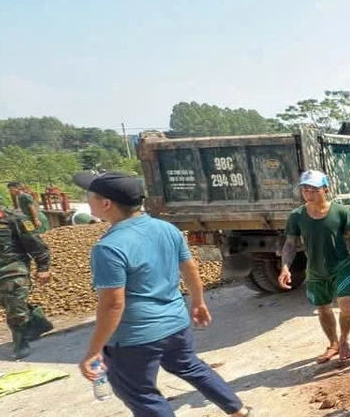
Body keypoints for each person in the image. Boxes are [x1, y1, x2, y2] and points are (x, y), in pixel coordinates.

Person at [75, 171, 249, 417]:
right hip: (176, 324)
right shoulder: (166, 229)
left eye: (90, 196)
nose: (88, 201)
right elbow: (190, 268)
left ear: (106, 204)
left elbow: (113, 305)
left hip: (135, 338)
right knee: (192, 367)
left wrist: (94, 350)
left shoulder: (109, 248)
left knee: (140, 394)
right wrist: (198, 302)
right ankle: (239, 411)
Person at [279, 170, 350, 364]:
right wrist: (285, 267)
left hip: (341, 266)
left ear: (325, 189)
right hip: (316, 270)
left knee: (346, 306)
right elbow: (291, 243)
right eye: (305, 189)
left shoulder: (341, 212)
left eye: (313, 189)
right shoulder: (296, 216)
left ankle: (344, 341)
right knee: (323, 309)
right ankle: (333, 343)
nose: (308, 193)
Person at [0, 188, 53, 360]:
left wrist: (43, 267)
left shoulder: (13, 218)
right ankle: (39, 322)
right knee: (7, 303)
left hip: (13, 269)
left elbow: (34, 242)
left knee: (15, 306)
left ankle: (20, 343)